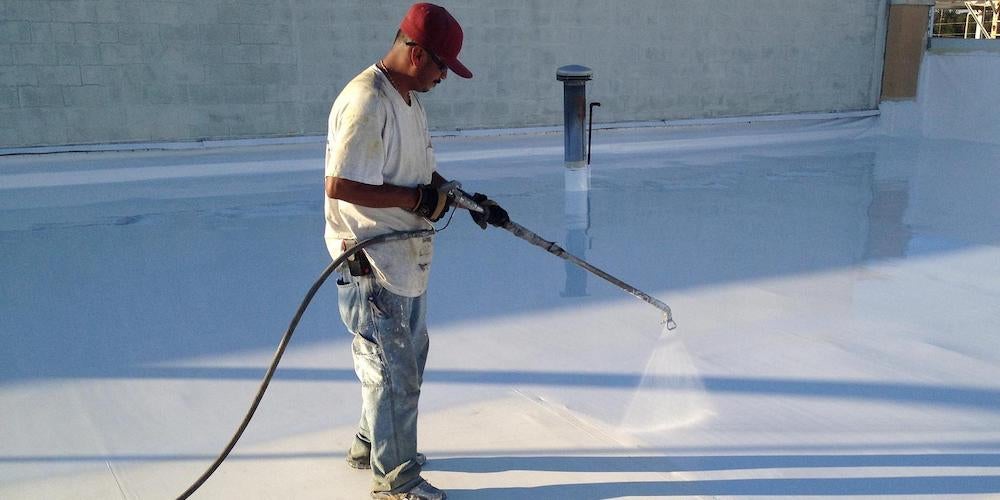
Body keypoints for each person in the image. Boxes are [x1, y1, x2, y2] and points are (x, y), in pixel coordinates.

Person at [323, 3, 508, 499]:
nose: (445, 76)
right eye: (442, 65)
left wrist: (466, 199)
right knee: (392, 368)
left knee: (401, 360)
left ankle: (371, 444)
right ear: (415, 52)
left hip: (405, 254)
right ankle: (396, 481)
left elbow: (417, 172)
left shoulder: (408, 98)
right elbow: (340, 184)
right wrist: (416, 200)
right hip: (372, 259)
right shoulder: (367, 101)